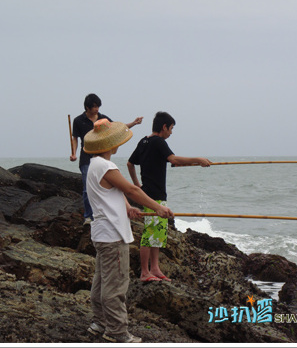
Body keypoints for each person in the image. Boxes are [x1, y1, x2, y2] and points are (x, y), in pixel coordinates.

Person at [83, 118, 174, 344]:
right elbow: (132, 188)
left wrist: (128, 208)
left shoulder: (94, 165)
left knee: (102, 281)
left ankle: (99, 322)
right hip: (112, 235)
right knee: (115, 286)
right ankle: (116, 332)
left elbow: (114, 193)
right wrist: (158, 207)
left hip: (101, 233)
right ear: (110, 144)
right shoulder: (106, 166)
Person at [127, 111, 211, 283]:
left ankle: (155, 268)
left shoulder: (144, 141)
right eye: (171, 128)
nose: (171, 132)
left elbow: (130, 163)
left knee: (158, 231)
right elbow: (173, 159)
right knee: (149, 233)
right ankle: (144, 272)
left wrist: (137, 184)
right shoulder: (158, 141)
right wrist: (198, 159)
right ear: (164, 127)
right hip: (153, 196)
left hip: (151, 193)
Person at [70, 93, 143, 226]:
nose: (97, 109)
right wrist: (73, 153)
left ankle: (102, 214)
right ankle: (88, 216)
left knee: (107, 188)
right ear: (87, 107)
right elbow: (75, 138)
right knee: (88, 188)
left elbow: (116, 130)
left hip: (104, 158)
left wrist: (134, 123)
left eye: (98, 106)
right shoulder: (78, 120)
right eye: (94, 107)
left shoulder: (103, 119)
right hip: (87, 158)